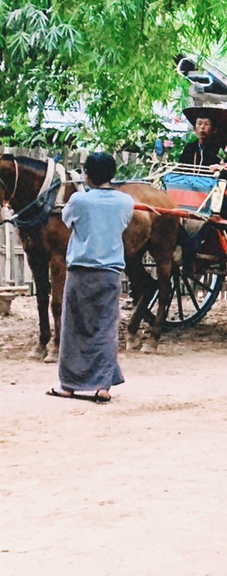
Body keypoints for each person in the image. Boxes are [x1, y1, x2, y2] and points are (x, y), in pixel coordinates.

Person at [51, 151, 134, 403]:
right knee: (105, 329)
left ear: (87, 175)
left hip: (80, 271)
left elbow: (67, 222)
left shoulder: (78, 200)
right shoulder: (126, 202)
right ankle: (102, 387)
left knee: (73, 328)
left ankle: (69, 385)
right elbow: (122, 224)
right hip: (110, 273)